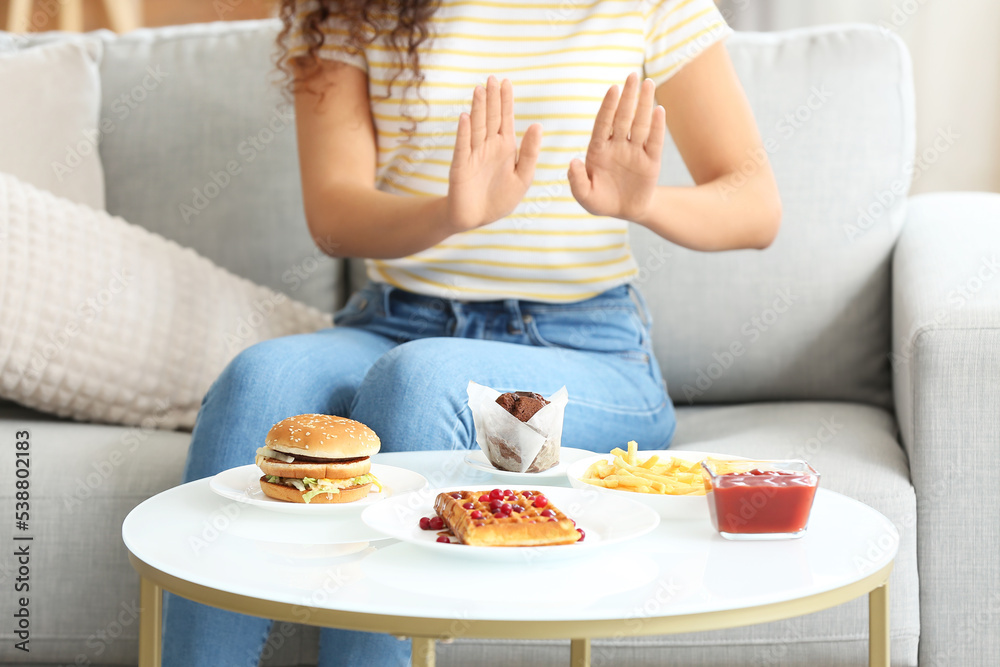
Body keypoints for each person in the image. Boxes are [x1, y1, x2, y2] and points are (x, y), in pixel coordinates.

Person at [162, 0, 781, 664]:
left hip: (578, 344)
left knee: (422, 380)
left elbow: (755, 204)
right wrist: (450, 214)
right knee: (259, 379)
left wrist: (645, 203)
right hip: (396, 323)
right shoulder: (354, 7)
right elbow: (335, 217)